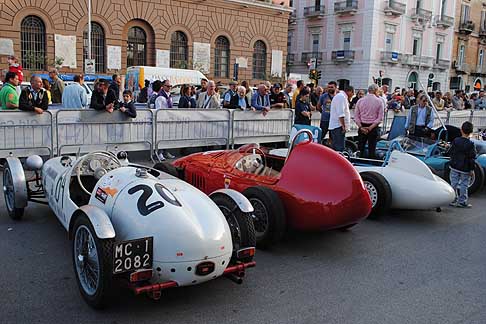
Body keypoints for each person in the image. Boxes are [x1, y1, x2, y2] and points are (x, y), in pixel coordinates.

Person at [449, 121, 477, 208]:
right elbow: (472, 158)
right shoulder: (471, 144)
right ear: (471, 132)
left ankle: (453, 199)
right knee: (464, 184)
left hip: (454, 165)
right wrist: (472, 169)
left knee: (453, 182)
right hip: (465, 168)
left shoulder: (456, 140)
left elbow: (451, 152)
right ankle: (462, 201)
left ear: (461, 130)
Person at [354, 84, 384, 158]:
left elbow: (356, 116)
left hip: (362, 125)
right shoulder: (379, 101)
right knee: (372, 148)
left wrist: (360, 127)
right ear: (375, 91)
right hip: (373, 127)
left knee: (361, 148)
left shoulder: (360, 101)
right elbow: (380, 118)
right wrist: (370, 127)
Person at [329, 86, 354, 152]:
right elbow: (341, 114)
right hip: (338, 126)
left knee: (337, 147)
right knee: (339, 148)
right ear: (350, 91)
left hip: (337, 126)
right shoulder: (341, 97)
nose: (353, 95)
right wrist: (343, 126)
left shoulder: (341, 97)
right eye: (353, 93)